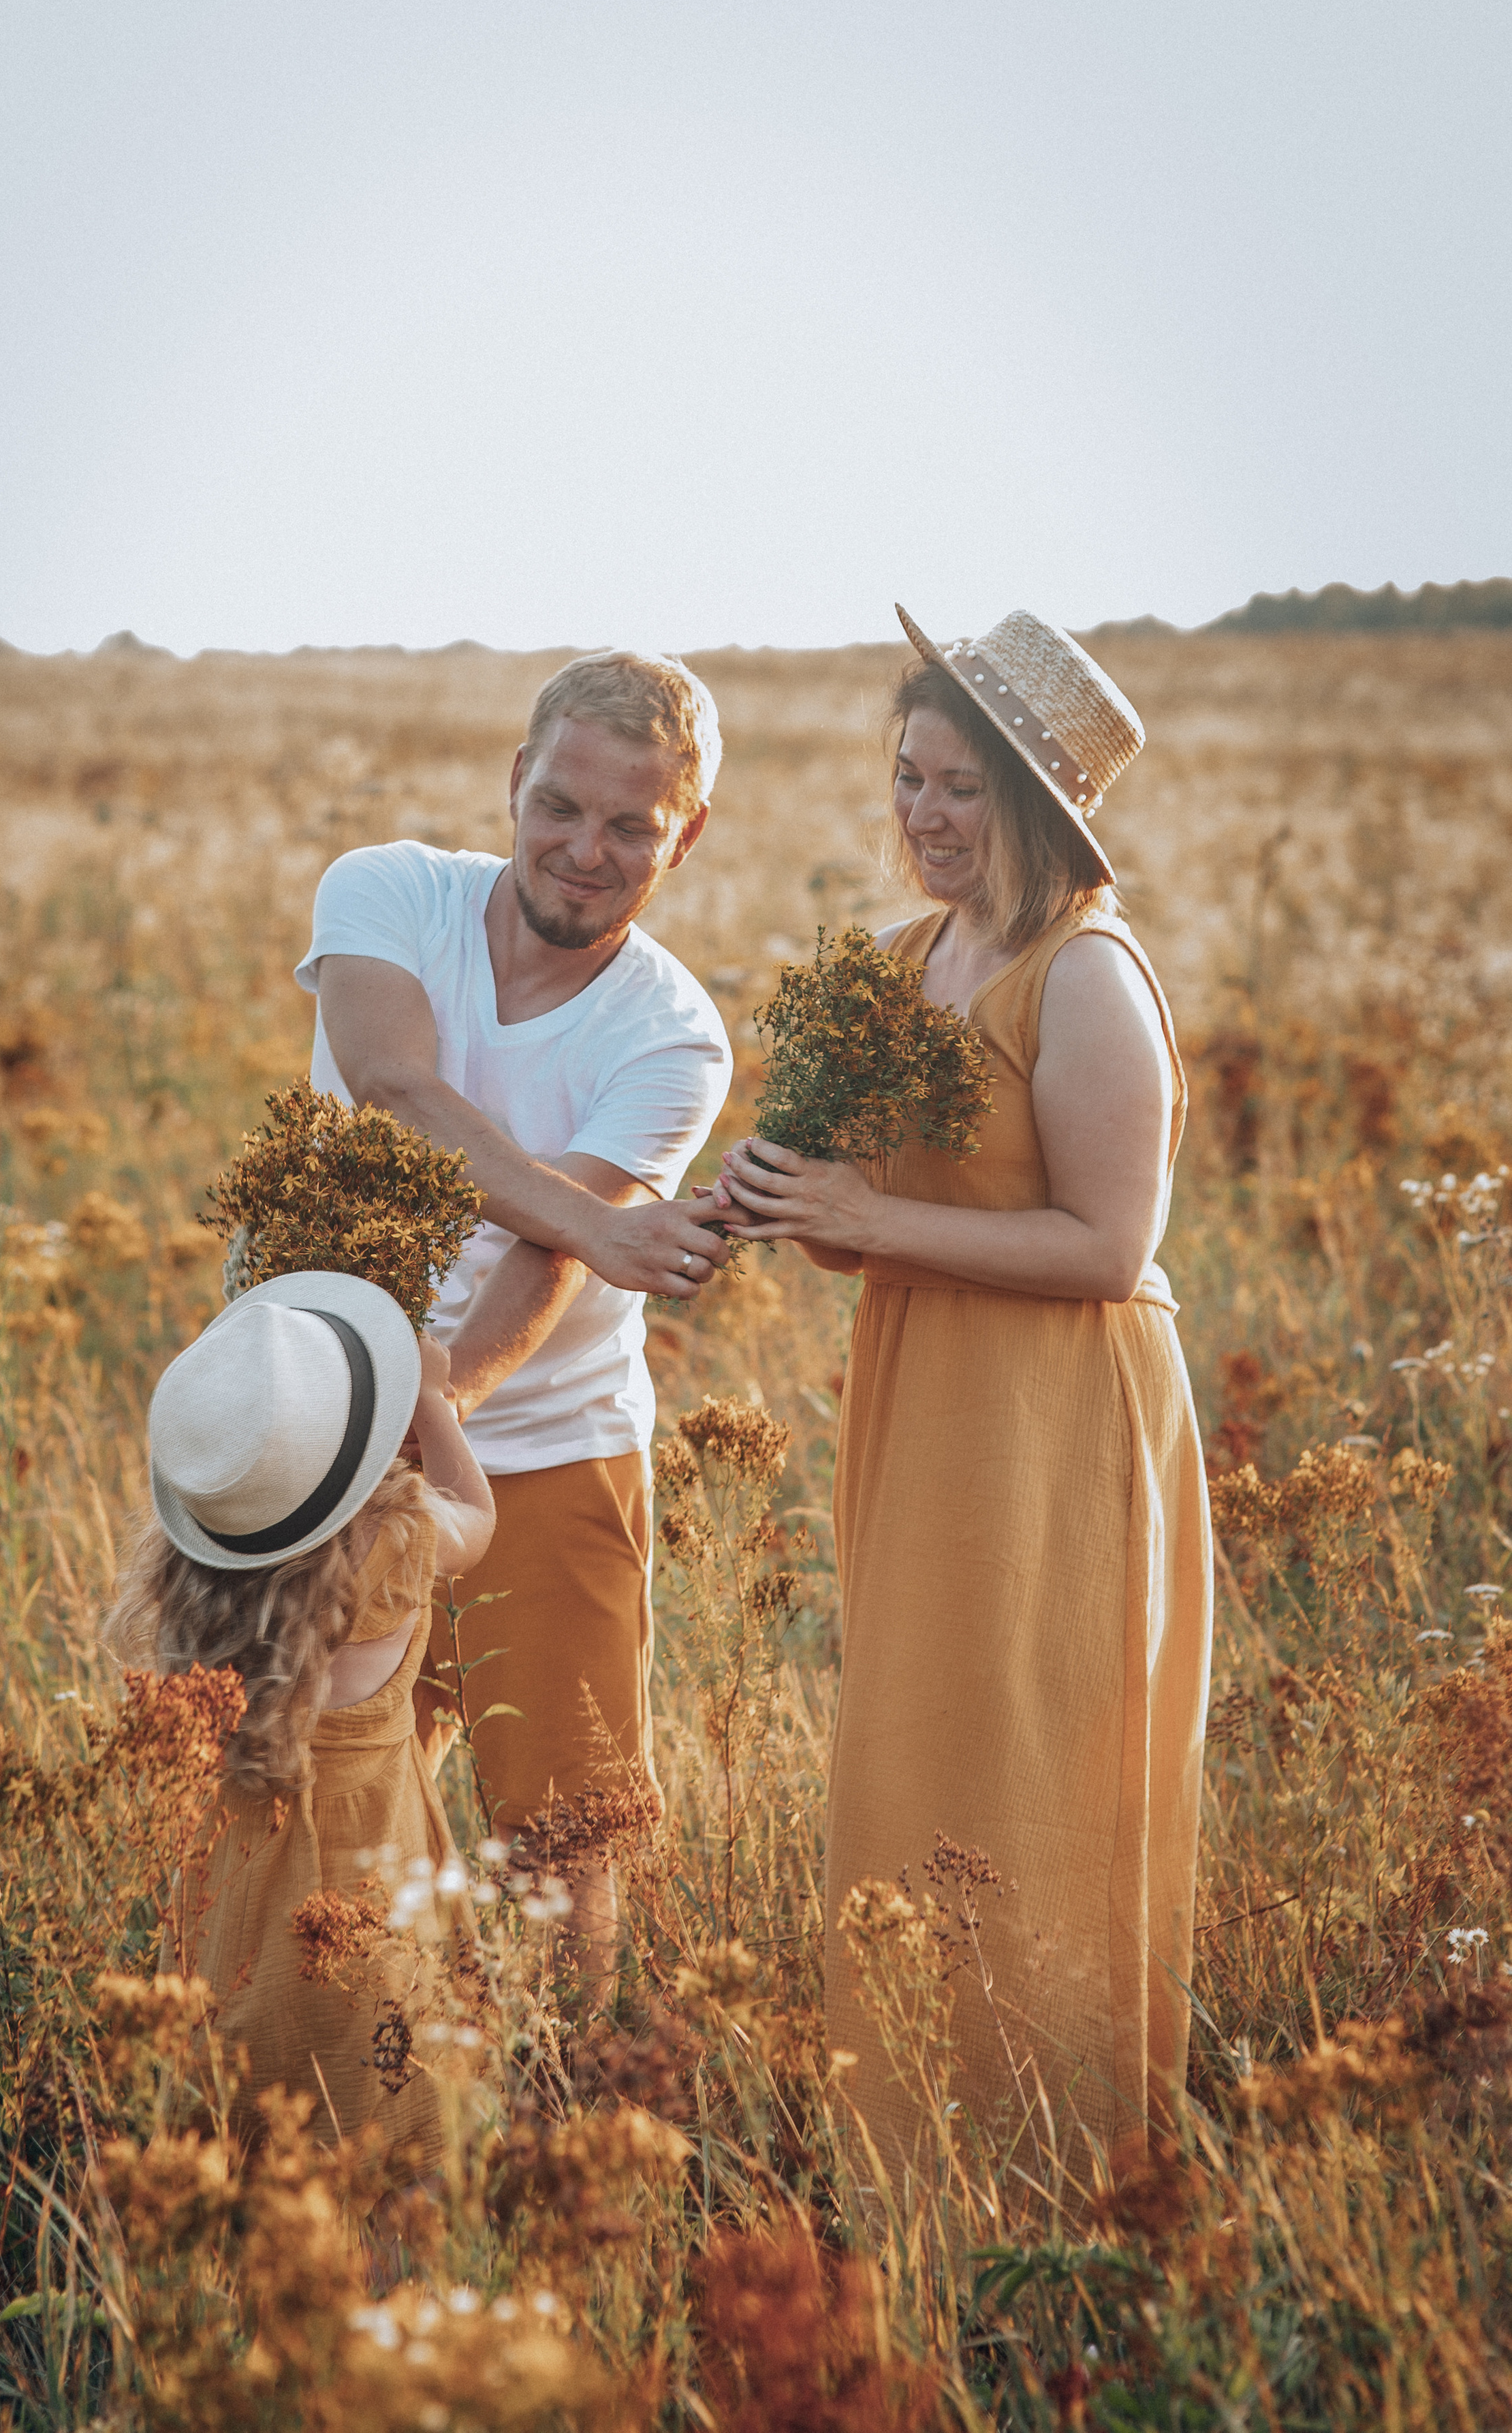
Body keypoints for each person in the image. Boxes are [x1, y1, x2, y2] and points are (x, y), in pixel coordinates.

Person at [714, 605, 1213, 2175]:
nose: (921, 815)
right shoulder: (894, 963)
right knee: (915, 1758)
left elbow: (1109, 1247)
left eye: (958, 788)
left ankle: (1062, 2164)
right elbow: (850, 1228)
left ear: (1035, 807)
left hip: (1057, 1421)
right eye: (907, 777)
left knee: (1033, 1769)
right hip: (924, 1406)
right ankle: (907, 2165)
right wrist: (785, 1197)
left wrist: (864, 1220)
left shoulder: (1084, 977)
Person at [296, 654, 734, 1991]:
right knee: (309, 1808)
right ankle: (332, 2082)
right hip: (318, 1433)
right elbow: (391, 1085)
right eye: (559, 806)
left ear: (684, 837)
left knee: (562, 1842)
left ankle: (574, 2088)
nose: (584, 851)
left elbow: (548, 1262)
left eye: (630, 827)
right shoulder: (383, 891)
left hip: (550, 1451)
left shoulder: (672, 1035)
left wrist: (436, 1416)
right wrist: (600, 1227)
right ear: (514, 782)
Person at [103, 1269, 497, 2150]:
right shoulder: (397, 1539)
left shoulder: (197, 1576)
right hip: (373, 1888)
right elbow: (477, 1517)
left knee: (239, 2099)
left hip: (237, 1898)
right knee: (392, 2102)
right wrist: (433, 1403)